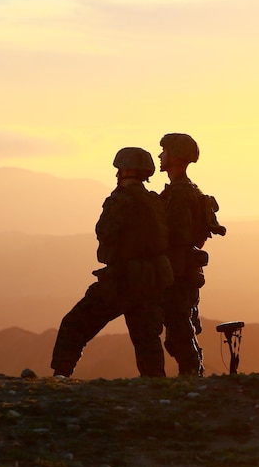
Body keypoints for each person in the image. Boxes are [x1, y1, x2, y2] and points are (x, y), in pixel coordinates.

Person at [51, 147, 174, 378]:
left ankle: (61, 376)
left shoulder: (119, 200)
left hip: (121, 281)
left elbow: (105, 233)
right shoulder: (155, 201)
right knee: (147, 339)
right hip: (151, 281)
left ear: (124, 170)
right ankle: (156, 386)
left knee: (75, 324)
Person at [158, 133, 226, 377]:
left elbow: (178, 236)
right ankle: (192, 375)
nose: (160, 156)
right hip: (184, 270)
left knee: (179, 330)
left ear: (175, 158)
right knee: (179, 330)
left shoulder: (179, 194)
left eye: (164, 151)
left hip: (176, 271)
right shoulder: (189, 191)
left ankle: (192, 377)